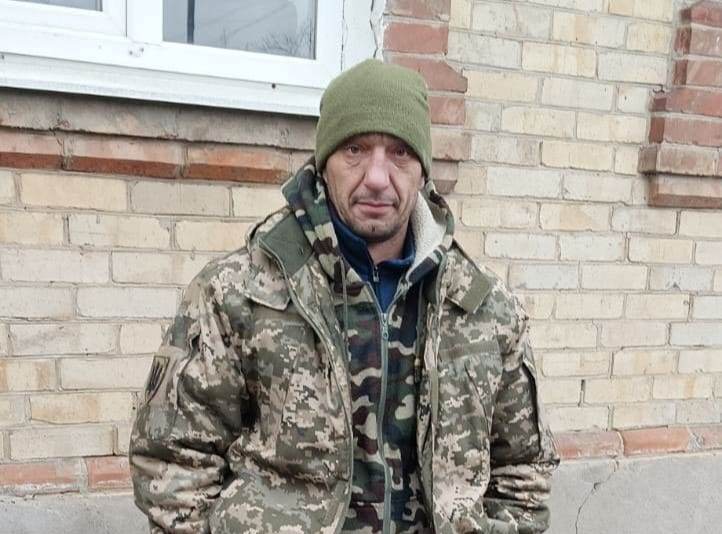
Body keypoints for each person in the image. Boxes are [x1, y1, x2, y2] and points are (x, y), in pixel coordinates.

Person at [130, 59, 559, 534]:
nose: (377, 176)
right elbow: (173, 465)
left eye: (399, 153)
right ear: (323, 165)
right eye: (355, 149)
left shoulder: (484, 309)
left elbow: (523, 470)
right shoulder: (238, 293)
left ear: (422, 170)